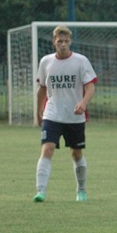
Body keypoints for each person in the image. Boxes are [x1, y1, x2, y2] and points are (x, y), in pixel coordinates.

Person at [33, 25, 98, 203]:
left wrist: (83, 104)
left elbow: (91, 86)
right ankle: (41, 192)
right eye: (59, 41)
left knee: (76, 154)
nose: (63, 44)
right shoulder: (46, 62)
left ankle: (81, 190)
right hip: (52, 114)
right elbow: (42, 89)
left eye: (66, 41)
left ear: (70, 42)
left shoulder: (80, 61)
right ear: (54, 42)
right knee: (47, 148)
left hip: (74, 116)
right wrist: (39, 112)